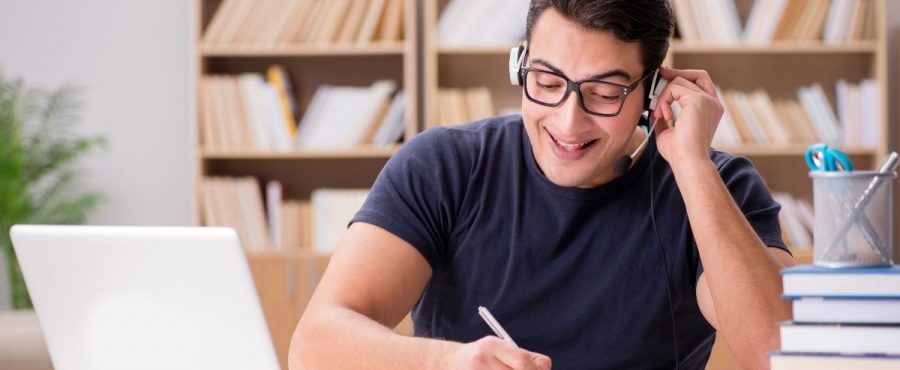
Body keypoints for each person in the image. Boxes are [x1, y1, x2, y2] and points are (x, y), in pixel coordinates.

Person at [289, 0, 795, 369]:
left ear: (653, 93)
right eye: (548, 83)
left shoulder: (718, 188)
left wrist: (691, 165)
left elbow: (780, 356)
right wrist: (444, 363)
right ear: (521, 64)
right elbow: (314, 345)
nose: (568, 122)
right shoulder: (444, 166)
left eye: (604, 93)